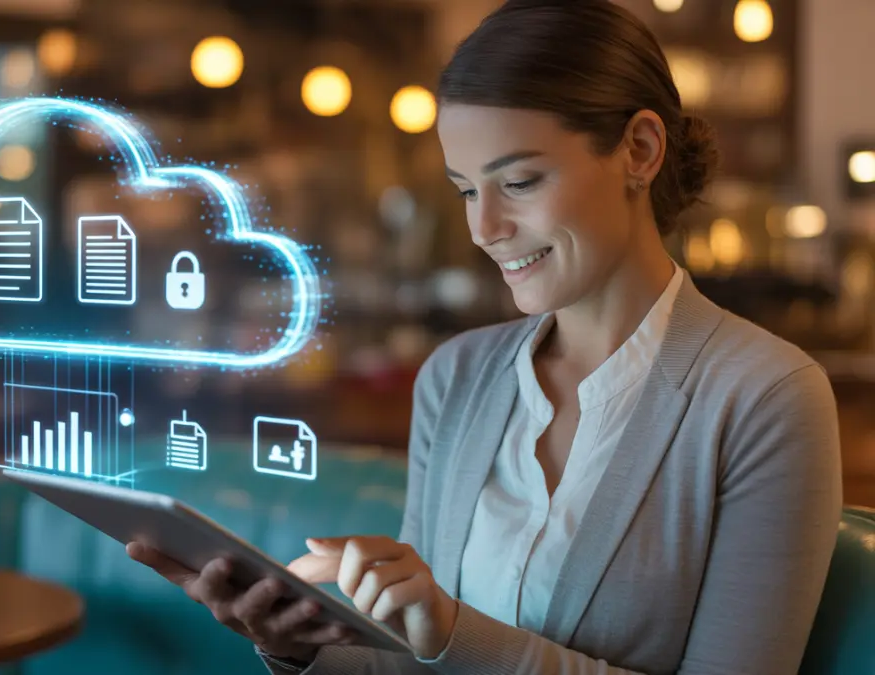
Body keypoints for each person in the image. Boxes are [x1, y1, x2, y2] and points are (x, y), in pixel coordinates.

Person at [127, 0, 843, 672]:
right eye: (467, 189)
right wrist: (298, 645)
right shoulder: (456, 377)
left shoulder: (764, 397)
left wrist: (449, 627)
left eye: (521, 182)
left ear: (641, 148)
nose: (484, 229)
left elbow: (449, 645)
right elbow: (419, 662)